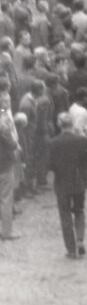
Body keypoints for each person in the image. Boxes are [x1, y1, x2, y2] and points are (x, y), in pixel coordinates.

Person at [48, 112, 87, 258]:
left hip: (62, 183)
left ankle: (71, 249)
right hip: (79, 181)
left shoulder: (53, 142)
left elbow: (50, 165)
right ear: (72, 124)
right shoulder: (82, 141)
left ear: (59, 124)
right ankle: (80, 239)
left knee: (65, 215)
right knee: (79, 211)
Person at [0, 93, 19, 241]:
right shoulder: (3, 121)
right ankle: (6, 232)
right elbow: (12, 143)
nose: (8, 103)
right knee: (6, 198)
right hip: (4, 163)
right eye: (5, 101)